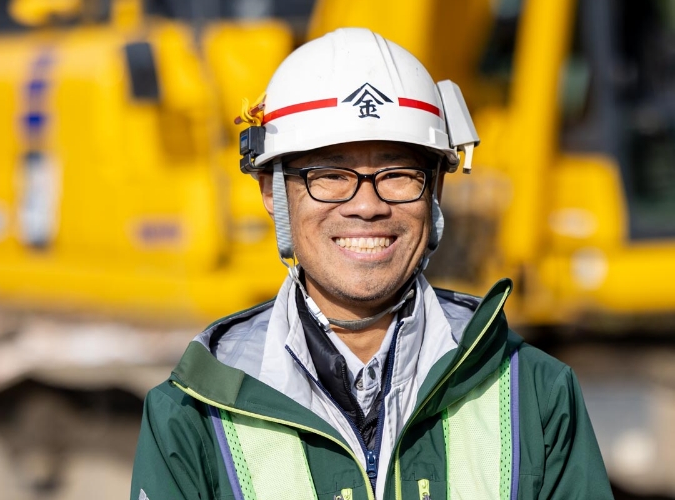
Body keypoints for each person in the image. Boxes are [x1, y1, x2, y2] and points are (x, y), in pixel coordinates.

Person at [130, 27, 613, 500]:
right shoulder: (194, 412)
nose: (367, 205)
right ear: (271, 193)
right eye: (330, 174)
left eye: (398, 173)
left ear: (435, 190)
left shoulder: (536, 393)